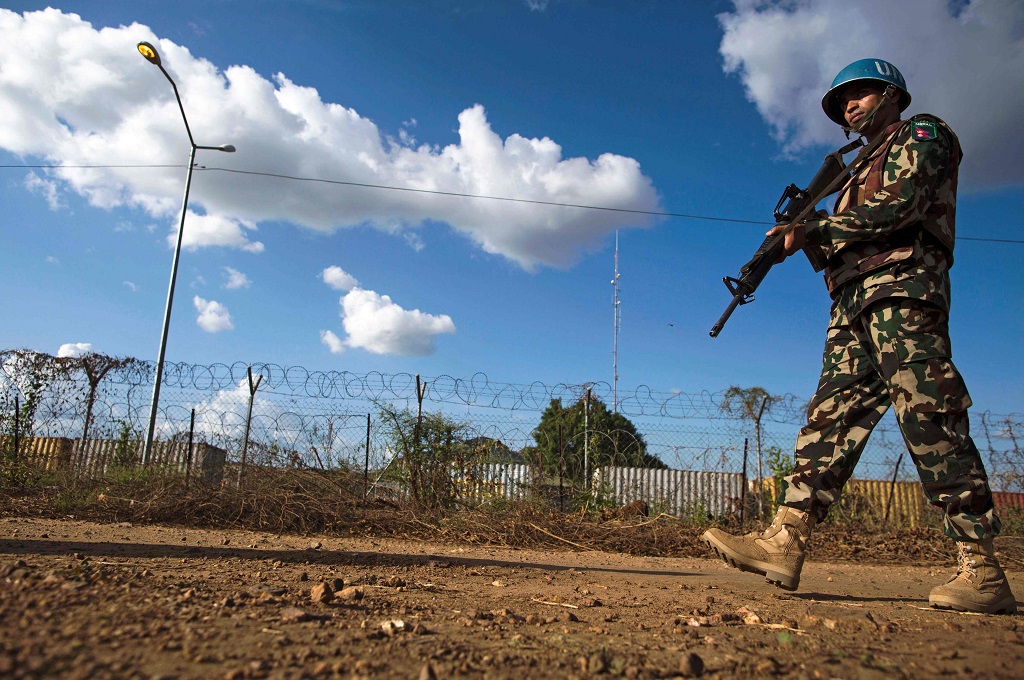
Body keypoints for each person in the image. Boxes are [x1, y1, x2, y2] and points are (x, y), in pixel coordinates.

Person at [702, 58, 1016, 615]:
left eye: (861, 93)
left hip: (901, 291)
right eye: (842, 100)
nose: (849, 105)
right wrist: (798, 243)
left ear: (892, 94)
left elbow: (902, 204)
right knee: (830, 419)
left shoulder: (925, 133)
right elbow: (844, 241)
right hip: (850, 306)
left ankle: (982, 567)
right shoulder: (849, 174)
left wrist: (816, 225)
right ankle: (785, 541)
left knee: (927, 411)